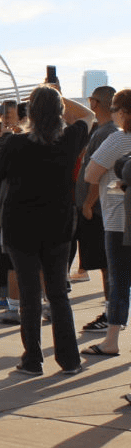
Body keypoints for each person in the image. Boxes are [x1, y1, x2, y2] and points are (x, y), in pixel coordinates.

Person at [0, 84, 93, 376]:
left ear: (30, 113)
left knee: (29, 293)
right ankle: (69, 360)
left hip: (21, 228)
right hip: (57, 227)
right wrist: (58, 97)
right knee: (58, 294)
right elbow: (86, 115)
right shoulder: (69, 141)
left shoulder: (15, 143)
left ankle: (33, 359)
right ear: (61, 112)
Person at [80, 88, 131, 355]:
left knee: (118, 282)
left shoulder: (117, 140)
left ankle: (111, 340)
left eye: (115, 110)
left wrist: (111, 185)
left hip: (119, 221)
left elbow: (90, 173)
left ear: (123, 112)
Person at [74, 85, 117, 331]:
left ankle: (112, 315)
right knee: (106, 263)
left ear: (94, 103)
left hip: (100, 210)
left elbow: (95, 173)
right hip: (101, 208)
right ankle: (112, 312)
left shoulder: (106, 133)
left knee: (106, 264)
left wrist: (88, 204)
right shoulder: (105, 131)